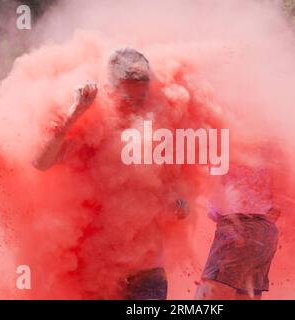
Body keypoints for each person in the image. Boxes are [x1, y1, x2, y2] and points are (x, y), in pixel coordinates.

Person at [33, 48, 189, 299]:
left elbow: (174, 191)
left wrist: (181, 206)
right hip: (98, 272)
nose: (137, 106)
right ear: (111, 90)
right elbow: (41, 162)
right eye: (129, 99)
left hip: (147, 273)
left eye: (142, 97)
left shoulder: (158, 129)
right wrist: (75, 113)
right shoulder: (93, 129)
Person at [195, 153, 281, 300]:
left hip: (238, 229)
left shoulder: (222, 144)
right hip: (267, 233)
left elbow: (217, 206)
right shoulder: (268, 144)